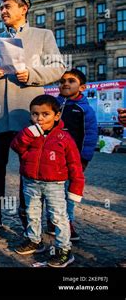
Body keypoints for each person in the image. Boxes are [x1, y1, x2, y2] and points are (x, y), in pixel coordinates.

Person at [0, 0, 66, 232]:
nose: (2, 12)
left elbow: (58, 68)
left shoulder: (43, 35)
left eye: (7, 7)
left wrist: (32, 75)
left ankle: (30, 218)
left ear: (23, 9)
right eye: (1, 8)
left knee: (31, 170)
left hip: (28, 115)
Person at [11, 95, 84, 267]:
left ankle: (64, 250)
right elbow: (16, 147)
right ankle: (34, 241)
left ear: (57, 116)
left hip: (55, 185)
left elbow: (75, 164)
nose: (40, 118)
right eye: (35, 114)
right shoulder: (29, 132)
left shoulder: (64, 138)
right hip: (30, 182)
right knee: (32, 213)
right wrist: (28, 135)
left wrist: (76, 188)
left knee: (59, 217)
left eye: (46, 114)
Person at [53, 69, 98, 241]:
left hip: (73, 160)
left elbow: (90, 135)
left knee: (68, 195)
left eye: (71, 81)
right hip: (51, 159)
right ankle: (53, 222)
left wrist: (84, 158)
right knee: (51, 193)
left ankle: (68, 224)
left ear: (83, 87)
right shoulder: (52, 105)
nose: (65, 83)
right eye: (62, 81)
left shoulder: (85, 109)